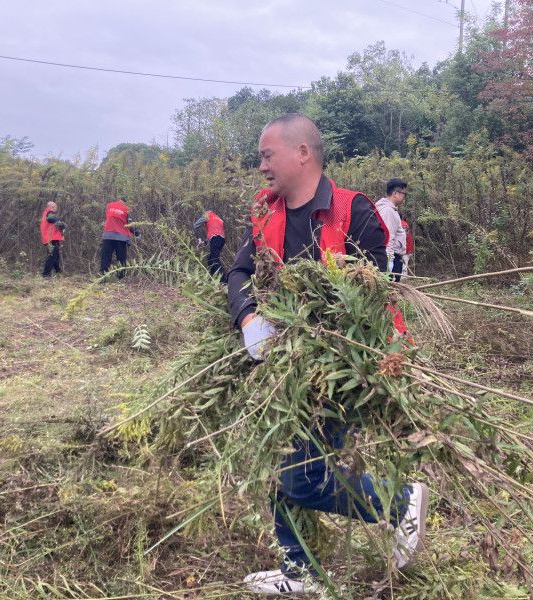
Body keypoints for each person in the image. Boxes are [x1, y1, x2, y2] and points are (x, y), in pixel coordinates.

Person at [227, 114, 427, 595]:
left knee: (301, 480)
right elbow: (236, 273)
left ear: (302, 153)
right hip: (283, 362)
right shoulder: (267, 211)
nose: (261, 167)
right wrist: (249, 318)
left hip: (344, 364)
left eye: (266, 155)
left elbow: (375, 296)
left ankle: (399, 504)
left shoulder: (354, 212)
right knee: (282, 457)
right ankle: (300, 571)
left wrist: (309, 336)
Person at [376, 178, 408, 282]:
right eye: (403, 194)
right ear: (395, 193)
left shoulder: (389, 209)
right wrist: (388, 263)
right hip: (390, 258)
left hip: (393, 256)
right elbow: (387, 237)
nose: (404, 197)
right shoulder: (388, 211)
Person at [100, 197, 139, 278]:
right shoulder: (126, 209)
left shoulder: (109, 206)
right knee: (121, 258)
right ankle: (121, 277)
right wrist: (137, 233)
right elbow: (130, 224)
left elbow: (108, 218)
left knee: (105, 258)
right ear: (126, 203)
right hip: (120, 237)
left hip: (107, 236)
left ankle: (103, 277)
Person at [193, 210, 226, 280]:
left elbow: (196, 225)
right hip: (222, 239)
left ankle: (223, 281)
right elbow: (215, 231)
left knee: (215, 259)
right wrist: (205, 242)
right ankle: (212, 279)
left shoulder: (206, 216)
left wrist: (199, 239)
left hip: (215, 238)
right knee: (210, 260)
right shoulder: (219, 219)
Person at [40, 201, 66, 277]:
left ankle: (58, 273)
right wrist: (60, 224)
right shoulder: (49, 213)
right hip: (51, 239)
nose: (55, 209)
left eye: (55, 207)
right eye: (54, 207)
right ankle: (46, 275)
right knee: (52, 257)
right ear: (50, 207)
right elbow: (51, 218)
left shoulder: (46, 213)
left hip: (52, 238)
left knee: (56, 256)